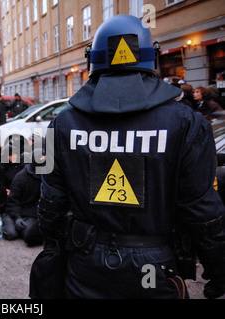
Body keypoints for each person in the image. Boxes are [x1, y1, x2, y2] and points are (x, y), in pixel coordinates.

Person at [35, 14, 225, 299]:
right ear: (153, 58)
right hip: (154, 267)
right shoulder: (185, 122)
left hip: (84, 264)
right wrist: (218, 269)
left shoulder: (64, 123)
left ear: (93, 60)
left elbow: (51, 203)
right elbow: (202, 211)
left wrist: (53, 250)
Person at [3, 149, 44, 247]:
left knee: (29, 235)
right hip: (17, 211)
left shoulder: (46, 177)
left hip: (32, 214)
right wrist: (17, 217)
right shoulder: (21, 177)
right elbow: (13, 200)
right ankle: (9, 220)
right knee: (10, 234)